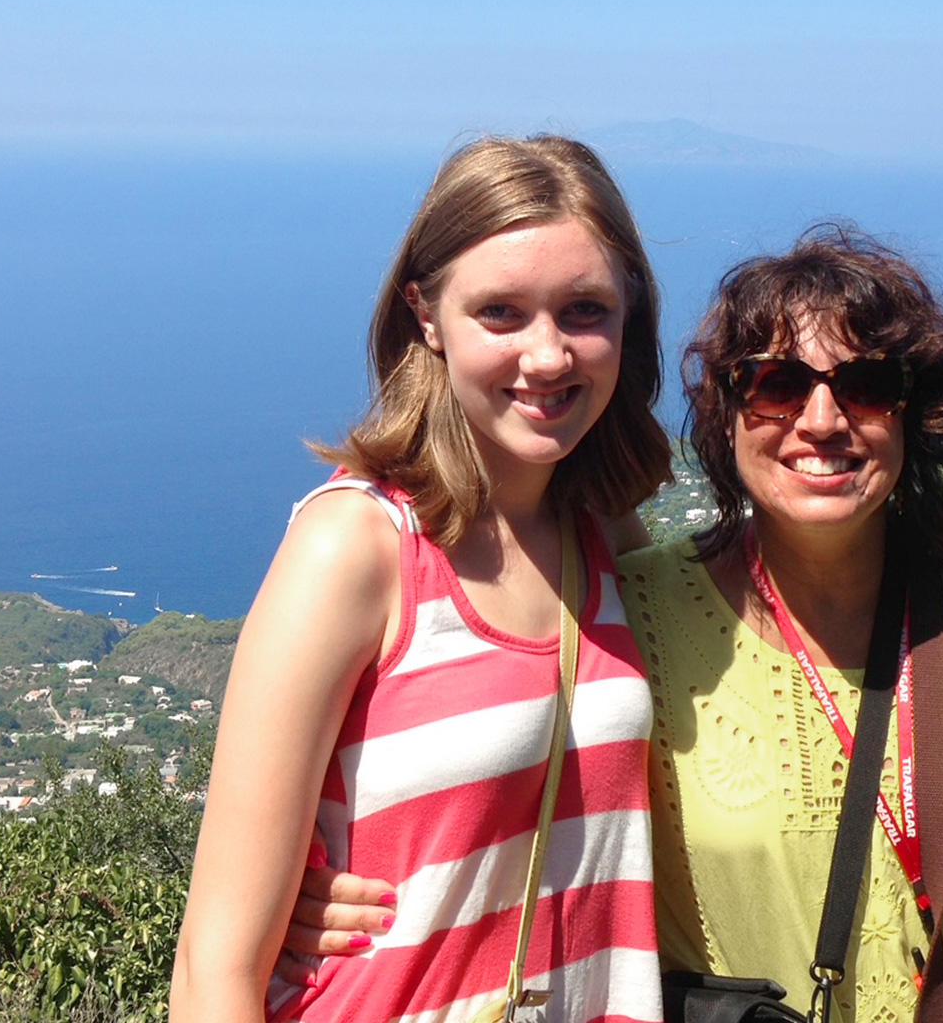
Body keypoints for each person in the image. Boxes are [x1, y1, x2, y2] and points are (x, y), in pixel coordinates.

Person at [283, 226, 943, 1023]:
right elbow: (503, 787)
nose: (821, 421)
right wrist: (315, 890)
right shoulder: (638, 616)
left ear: (910, 411)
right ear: (725, 414)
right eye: (777, 384)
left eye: (865, 386)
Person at [169, 135, 674, 1023]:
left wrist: (940, 540)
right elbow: (214, 972)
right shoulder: (357, 550)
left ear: (630, 314)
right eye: (502, 313)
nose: (549, 355)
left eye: (585, 310)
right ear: (427, 316)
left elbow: (769, 620)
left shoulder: (603, 534)